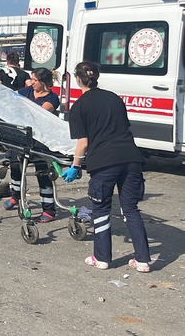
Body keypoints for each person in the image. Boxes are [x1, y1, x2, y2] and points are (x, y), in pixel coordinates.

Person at [62, 61, 151, 272]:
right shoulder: (114, 98)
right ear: (97, 77)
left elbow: (83, 142)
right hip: (131, 158)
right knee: (131, 209)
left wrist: (75, 166)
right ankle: (143, 260)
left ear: (77, 79)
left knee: (101, 209)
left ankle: (101, 258)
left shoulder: (79, 106)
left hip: (104, 162)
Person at [1, 67, 61, 222]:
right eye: (32, 79)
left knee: (43, 173)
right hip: (21, 138)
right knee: (14, 164)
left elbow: (38, 114)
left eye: (35, 80)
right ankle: (15, 196)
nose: (32, 83)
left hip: (41, 141)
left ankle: (48, 210)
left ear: (44, 82)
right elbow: (11, 97)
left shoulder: (52, 99)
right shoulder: (26, 91)